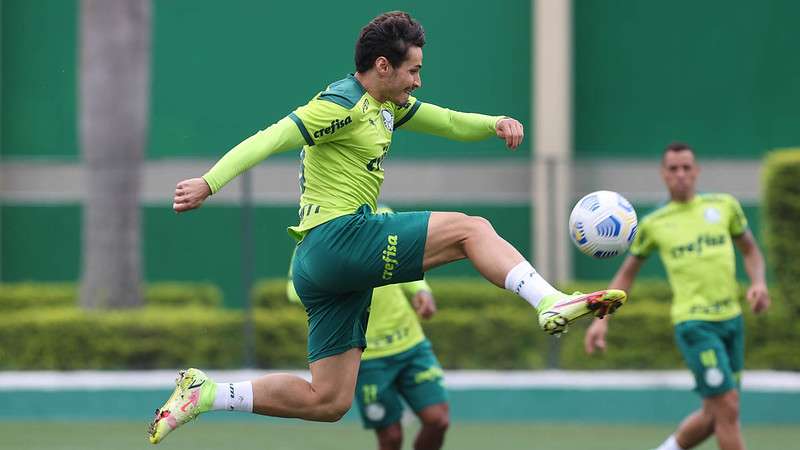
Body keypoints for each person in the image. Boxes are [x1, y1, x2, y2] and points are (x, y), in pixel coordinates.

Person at [148, 11, 626, 444]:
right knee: (471, 229)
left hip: (324, 265)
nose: (418, 81)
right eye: (413, 70)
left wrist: (493, 122)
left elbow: (447, 121)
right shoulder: (340, 103)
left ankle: (208, 393)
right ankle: (548, 300)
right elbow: (269, 137)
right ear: (383, 66)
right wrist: (209, 183)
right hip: (339, 238)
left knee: (329, 401)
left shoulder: (387, 107)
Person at [583, 142, 770, 450]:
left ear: (696, 171)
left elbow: (750, 250)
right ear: (663, 174)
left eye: (686, 168)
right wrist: (601, 319)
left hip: (732, 322)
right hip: (695, 325)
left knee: (715, 414)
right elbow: (627, 274)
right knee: (728, 407)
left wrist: (759, 283)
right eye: (673, 169)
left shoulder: (724, 206)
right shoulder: (654, 224)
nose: (680, 174)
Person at [286, 209, 450, 450]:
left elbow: (407, 259)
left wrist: (421, 291)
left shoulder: (382, 214)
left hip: (410, 344)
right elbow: (294, 289)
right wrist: (335, 280)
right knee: (391, 437)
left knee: (438, 420)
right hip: (368, 356)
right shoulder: (316, 233)